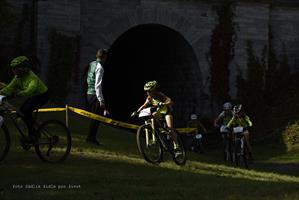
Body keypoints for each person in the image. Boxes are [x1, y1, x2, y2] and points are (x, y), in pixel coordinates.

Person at [0, 56, 49, 143]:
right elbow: (9, 89)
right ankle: (35, 130)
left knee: (26, 112)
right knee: (21, 113)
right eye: (13, 68)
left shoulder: (32, 77)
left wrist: (19, 93)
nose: (13, 70)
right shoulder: (17, 77)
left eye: (15, 68)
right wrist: (1, 92)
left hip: (42, 96)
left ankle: (32, 135)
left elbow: (30, 90)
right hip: (33, 96)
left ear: (23, 68)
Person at [135, 80, 182, 157]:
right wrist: (137, 112)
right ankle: (157, 133)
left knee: (170, 128)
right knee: (152, 115)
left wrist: (164, 103)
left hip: (166, 113)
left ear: (154, 90)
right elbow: (143, 106)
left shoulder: (160, 95)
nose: (148, 93)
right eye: (147, 91)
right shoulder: (149, 98)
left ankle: (177, 147)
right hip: (159, 113)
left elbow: (170, 102)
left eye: (149, 91)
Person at [85, 48, 110, 146]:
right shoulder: (100, 67)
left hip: (89, 94)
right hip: (95, 94)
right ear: (104, 57)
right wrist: (101, 100)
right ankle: (91, 138)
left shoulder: (91, 63)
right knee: (96, 118)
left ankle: (91, 138)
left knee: (94, 117)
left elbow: (88, 78)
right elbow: (97, 85)